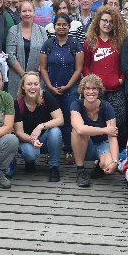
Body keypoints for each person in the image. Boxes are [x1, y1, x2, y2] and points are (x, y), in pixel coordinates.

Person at [40, 13, 84, 164]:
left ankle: (68, 151)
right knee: (50, 120)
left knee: (68, 120)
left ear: (69, 26)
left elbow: (78, 69)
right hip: (50, 89)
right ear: (54, 26)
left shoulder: (75, 44)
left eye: (64, 24)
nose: (61, 27)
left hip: (70, 90)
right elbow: (43, 68)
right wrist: (50, 87)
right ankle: (50, 151)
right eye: (58, 24)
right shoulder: (48, 44)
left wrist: (68, 86)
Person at [83, 6, 128, 150]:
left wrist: (120, 79)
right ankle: (101, 154)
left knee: (119, 122)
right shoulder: (90, 42)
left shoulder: (119, 41)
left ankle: (119, 154)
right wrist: (91, 81)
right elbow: (85, 65)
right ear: (98, 21)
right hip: (97, 92)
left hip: (116, 90)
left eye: (110, 21)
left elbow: (125, 64)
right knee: (99, 122)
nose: (107, 24)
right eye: (104, 20)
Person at [70, 74, 119, 188]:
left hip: (102, 143)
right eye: (87, 88)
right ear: (82, 90)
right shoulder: (76, 104)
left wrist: (115, 162)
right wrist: (105, 130)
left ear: (99, 90)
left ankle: (99, 164)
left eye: (94, 88)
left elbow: (112, 135)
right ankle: (81, 170)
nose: (90, 92)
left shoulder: (107, 107)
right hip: (84, 144)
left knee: (108, 165)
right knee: (78, 132)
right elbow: (79, 128)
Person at [14, 72, 64, 182]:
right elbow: (19, 132)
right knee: (30, 155)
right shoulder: (18, 104)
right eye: (29, 84)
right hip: (26, 140)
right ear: (23, 86)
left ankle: (54, 167)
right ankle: (30, 162)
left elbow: (60, 119)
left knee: (55, 131)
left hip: (44, 138)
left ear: (39, 85)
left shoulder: (46, 97)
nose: (33, 87)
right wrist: (32, 140)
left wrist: (41, 126)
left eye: (36, 84)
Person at [6, 1, 47, 98]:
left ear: (34, 12)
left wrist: (40, 69)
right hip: (17, 76)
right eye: (24, 11)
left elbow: (45, 53)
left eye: (30, 11)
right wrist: (24, 75)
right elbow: (10, 55)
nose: (27, 14)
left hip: (36, 78)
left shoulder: (42, 31)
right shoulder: (13, 30)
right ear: (19, 13)